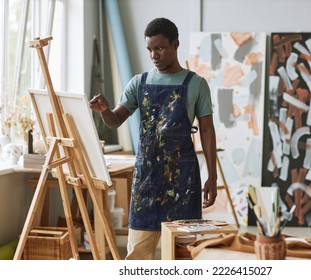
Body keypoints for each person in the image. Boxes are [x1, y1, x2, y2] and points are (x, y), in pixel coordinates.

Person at [89, 17, 217, 260]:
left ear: (175, 44)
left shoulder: (197, 84)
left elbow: (208, 131)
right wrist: (105, 110)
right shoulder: (139, 83)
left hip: (184, 183)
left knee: (183, 255)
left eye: (159, 48)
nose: (154, 55)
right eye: (149, 49)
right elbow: (116, 120)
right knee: (137, 255)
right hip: (146, 183)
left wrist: (213, 175)